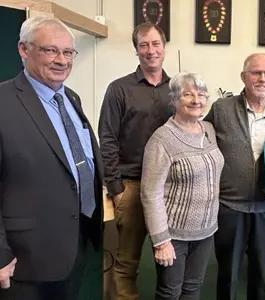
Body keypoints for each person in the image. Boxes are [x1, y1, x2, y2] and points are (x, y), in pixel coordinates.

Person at [0, 16, 103, 300]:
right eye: (50, 50)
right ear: (24, 49)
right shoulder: (3, 102)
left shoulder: (71, 98)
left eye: (68, 52)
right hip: (25, 260)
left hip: (74, 245)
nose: (61, 60)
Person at [204, 53, 265, 300]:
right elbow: (203, 143)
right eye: (256, 73)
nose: (262, 78)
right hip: (230, 207)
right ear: (244, 77)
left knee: (260, 274)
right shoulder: (221, 109)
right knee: (228, 274)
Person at [98, 22, 171, 300]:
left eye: (155, 44)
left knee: (168, 259)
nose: (150, 51)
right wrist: (115, 187)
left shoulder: (176, 90)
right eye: (144, 45)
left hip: (168, 190)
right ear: (136, 51)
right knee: (126, 262)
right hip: (131, 187)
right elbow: (107, 138)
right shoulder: (119, 89)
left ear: (164, 47)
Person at [141, 72, 224, 300]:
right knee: (170, 292)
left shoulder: (208, 130)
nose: (196, 100)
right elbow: (151, 193)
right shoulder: (162, 139)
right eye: (188, 94)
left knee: (193, 288)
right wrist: (161, 241)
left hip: (205, 231)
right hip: (174, 234)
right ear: (175, 100)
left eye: (200, 94)